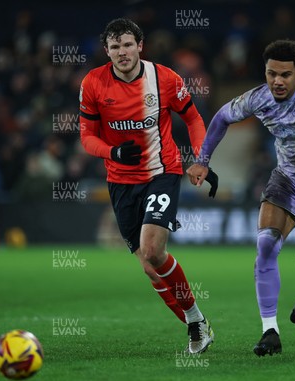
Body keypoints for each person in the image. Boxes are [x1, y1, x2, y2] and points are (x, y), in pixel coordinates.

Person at [187, 39, 295, 356]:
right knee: (265, 244)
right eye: (271, 73)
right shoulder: (260, 98)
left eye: (285, 75)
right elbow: (221, 117)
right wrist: (203, 160)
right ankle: (269, 331)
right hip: (286, 179)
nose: (277, 81)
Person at [78, 18, 216, 354]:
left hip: (162, 172)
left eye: (127, 44)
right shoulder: (93, 83)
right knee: (150, 269)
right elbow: (87, 137)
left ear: (140, 45)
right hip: (121, 182)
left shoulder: (165, 78)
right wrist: (113, 151)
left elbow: (194, 118)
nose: (122, 52)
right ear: (107, 51)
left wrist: (202, 158)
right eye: (114, 47)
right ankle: (198, 321)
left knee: (153, 250)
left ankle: (195, 324)